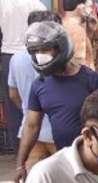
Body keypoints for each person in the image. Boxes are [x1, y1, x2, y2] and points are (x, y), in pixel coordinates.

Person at [15, 21, 98, 183]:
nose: (40, 55)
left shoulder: (94, 81)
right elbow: (31, 126)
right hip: (66, 162)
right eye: (35, 51)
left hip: (97, 164)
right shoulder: (40, 85)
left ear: (61, 47)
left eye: (45, 49)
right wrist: (20, 164)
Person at [8, 11, 60, 173]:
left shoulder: (16, 59)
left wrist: (29, 111)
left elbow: (13, 95)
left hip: (29, 134)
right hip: (57, 133)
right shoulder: (58, 59)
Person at [0, 0, 47, 153]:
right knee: (38, 99)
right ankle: (40, 144)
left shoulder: (3, 4)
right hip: (35, 51)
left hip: (8, 54)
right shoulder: (37, 5)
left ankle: (18, 149)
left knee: (12, 104)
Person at [62, 0, 98, 70]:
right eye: (89, 7)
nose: (91, 11)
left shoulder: (64, 22)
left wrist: (90, 31)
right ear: (81, 7)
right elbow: (80, 62)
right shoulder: (76, 29)